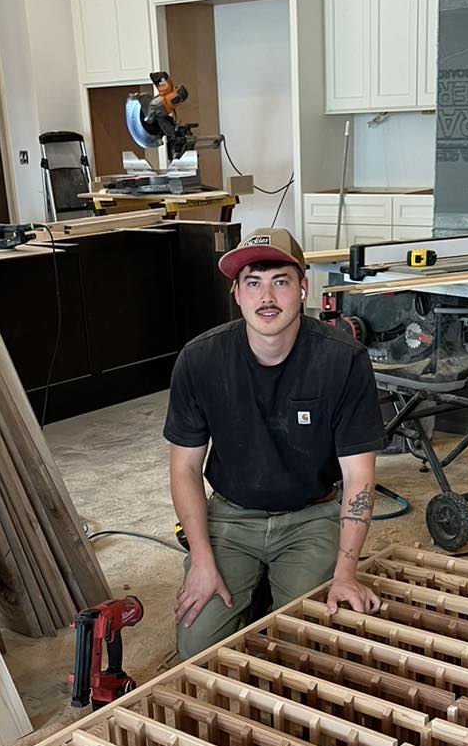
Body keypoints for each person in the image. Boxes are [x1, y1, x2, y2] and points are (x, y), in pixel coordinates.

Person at [164, 227, 385, 660]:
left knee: (306, 646)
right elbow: (185, 468)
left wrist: (346, 572)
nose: (267, 297)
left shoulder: (342, 359)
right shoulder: (201, 359)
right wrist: (203, 563)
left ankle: (273, 588)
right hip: (231, 517)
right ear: (237, 293)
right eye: (253, 282)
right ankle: (253, 586)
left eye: (280, 281)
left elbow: (359, 475)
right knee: (197, 646)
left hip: (311, 516)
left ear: (303, 288)